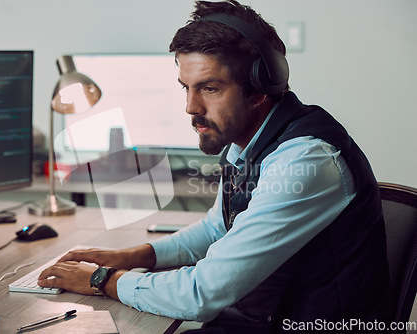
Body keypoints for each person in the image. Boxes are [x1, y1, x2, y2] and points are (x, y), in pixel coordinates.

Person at [40, 1, 392, 332]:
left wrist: (101, 279)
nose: (191, 107)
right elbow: (217, 229)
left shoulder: (305, 160)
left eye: (209, 88)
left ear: (259, 89)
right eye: (186, 88)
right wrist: (130, 256)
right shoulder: (250, 145)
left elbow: (201, 294)